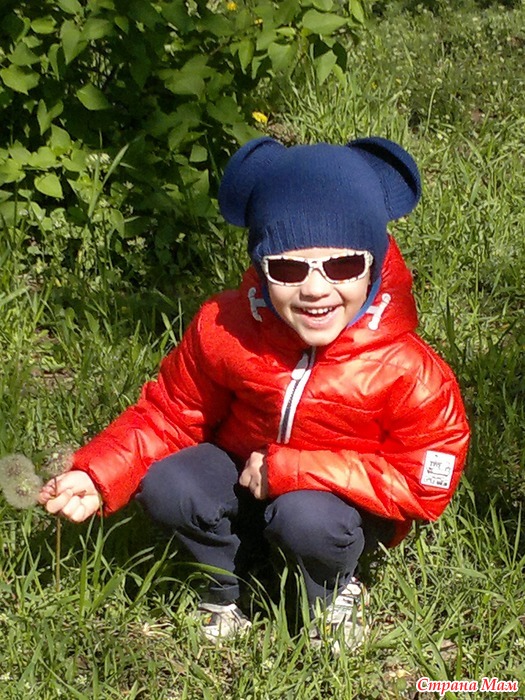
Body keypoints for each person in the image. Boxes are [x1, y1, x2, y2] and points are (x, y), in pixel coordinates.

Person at [39, 136, 470, 650]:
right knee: (170, 484)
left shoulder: (408, 369)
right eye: (288, 268)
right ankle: (224, 584)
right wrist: (97, 473)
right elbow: (170, 413)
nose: (315, 289)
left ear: (374, 265)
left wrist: (294, 470)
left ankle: (331, 593)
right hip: (246, 473)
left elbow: (424, 482)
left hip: (335, 505)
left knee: (306, 518)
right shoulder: (227, 327)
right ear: (262, 269)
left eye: (342, 266)